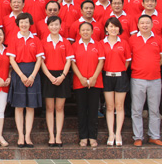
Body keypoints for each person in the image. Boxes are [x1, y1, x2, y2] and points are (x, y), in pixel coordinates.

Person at [129, 15, 162, 147]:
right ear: (138, 25)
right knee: (137, 110)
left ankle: (154, 136)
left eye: (147, 23)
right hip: (137, 78)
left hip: (155, 79)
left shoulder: (158, 39)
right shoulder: (132, 39)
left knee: (154, 110)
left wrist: (154, 66)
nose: (145, 25)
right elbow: (129, 58)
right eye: (142, 23)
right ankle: (138, 137)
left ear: (152, 25)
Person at [7, 13, 44, 148]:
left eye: (26, 22)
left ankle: (27, 135)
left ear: (30, 23)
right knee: (19, 106)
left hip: (33, 72)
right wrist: (21, 75)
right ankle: (20, 136)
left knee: (30, 106)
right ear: (18, 24)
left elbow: (39, 59)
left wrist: (33, 75)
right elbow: (11, 59)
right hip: (19, 73)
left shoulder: (36, 40)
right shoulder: (14, 39)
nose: (24, 24)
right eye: (21, 22)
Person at [40, 16, 73, 147]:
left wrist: (63, 76)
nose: (54, 27)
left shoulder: (66, 42)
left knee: (59, 108)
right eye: (52, 25)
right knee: (49, 108)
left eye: (56, 24)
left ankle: (58, 135)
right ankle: (51, 136)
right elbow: (41, 61)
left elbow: (69, 60)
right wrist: (49, 76)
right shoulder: (43, 42)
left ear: (60, 26)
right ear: (48, 26)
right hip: (48, 76)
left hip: (62, 76)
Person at [71, 21, 105, 147]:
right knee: (81, 110)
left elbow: (101, 61)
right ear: (79, 32)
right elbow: (72, 63)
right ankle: (83, 137)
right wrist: (81, 77)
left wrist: (94, 77)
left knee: (93, 110)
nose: (85, 32)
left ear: (92, 32)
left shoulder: (98, 44)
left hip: (95, 82)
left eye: (88, 30)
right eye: (83, 30)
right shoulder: (75, 46)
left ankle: (93, 136)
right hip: (80, 82)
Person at [101, 17, 131, 147]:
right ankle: (111, 133)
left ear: (119, 29)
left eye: (116, 26)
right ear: (106, 29)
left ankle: (118, 133)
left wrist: (120, 69)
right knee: (109, 106)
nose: (113, 29)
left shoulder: (124, 43)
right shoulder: (101, 43)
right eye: (111, 26)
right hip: (107, 76)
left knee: (119, 106)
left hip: (121, 76)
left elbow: (127, 61)